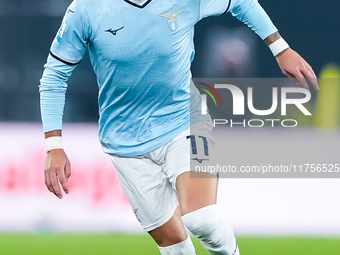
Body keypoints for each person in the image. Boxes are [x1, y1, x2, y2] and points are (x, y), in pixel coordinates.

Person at [39, 0, 319, 254]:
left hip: (184, 120)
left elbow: (242, 3)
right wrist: (54, 146)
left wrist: (280, 48)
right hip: (124, 143)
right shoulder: (87, 9)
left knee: (202, 219)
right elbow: (54, 75)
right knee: (174, 246)